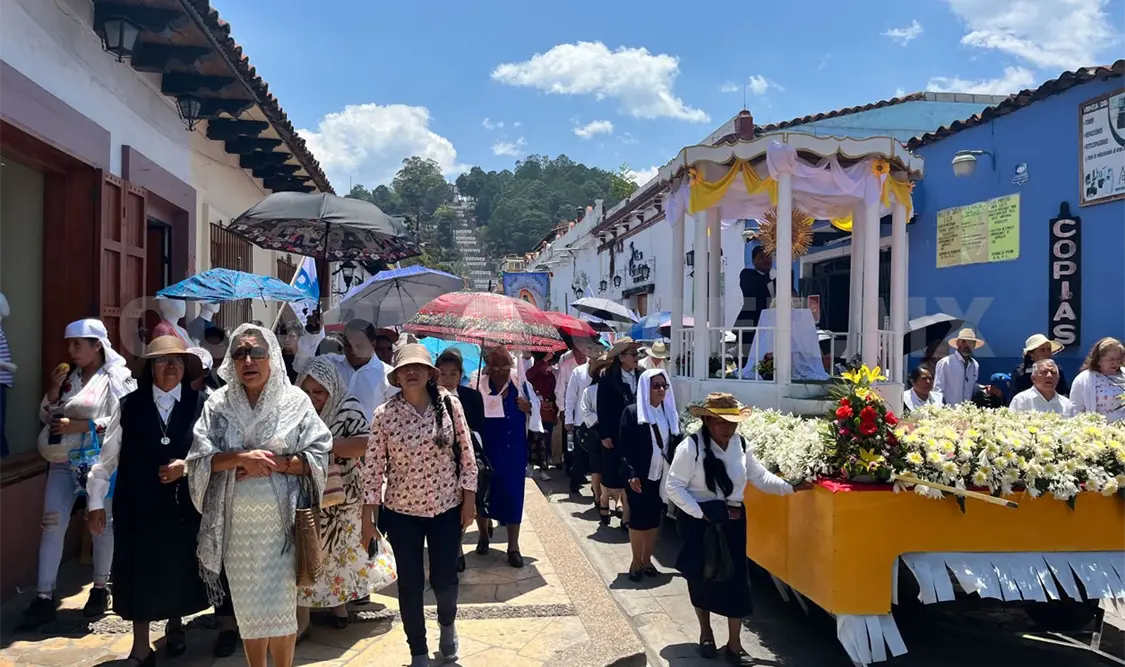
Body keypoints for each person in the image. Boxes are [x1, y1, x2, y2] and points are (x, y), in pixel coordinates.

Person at [187, 324, 333, 667]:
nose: (248, 360)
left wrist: (278, 464)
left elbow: (320, 451)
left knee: (282, 609)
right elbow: (198, 459)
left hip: (281, 528)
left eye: (256, 352)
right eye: (239, 353)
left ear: (272, 358)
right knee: (249, 609)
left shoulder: (295, 402)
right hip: (237, 528)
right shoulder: (217, 405)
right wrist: (240, 458)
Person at [666, 393, 810, 664]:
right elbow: (674, 487)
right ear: (707, 420)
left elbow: (759, 477)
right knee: (701, 578)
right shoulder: (690, 447)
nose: (727, 428)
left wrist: (791, 487)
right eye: (720, 422)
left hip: (732, 519)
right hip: (700, 522)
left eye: (731, 422)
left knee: (736, 581)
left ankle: (734, 643)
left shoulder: (741, 445)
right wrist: (702, 514)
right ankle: (706, 633)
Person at [362, 343, 478, 667]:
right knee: (410, 585)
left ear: (429, 373)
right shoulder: (384, 415)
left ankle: (447, 624)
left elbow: (467, 457)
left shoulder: (450, 404)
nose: (411, 372)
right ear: (397, 376)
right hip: (401, 514)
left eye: (418, 367)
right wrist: (367, 518)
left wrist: (468, 500)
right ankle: (417, 652)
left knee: (444, 580)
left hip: (445, 508)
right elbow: (372, 470)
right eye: (404, 368)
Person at [20, 319, 137, 630]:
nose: (71, 351)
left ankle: (101, 587)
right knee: (52, 522)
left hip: (100, 462)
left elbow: (123, 416)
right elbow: (48, 415)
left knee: (101, 523)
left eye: (77, 344)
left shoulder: (116, 377)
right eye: (69, 344)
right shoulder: (69, 378)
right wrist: (53, 393)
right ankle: (44, 595)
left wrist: (84, 426)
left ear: (97, 345)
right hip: (62, 461)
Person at [109, 337, 209, 665]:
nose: (171, 367)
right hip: (138, 502)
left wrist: (187, 467)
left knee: (178, 566)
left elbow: (212, 452)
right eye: (163, 361)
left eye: (177, 361)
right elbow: (108, 455)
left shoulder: (201, 403)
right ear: (150, 367)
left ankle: (176, 627)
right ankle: (140, 647)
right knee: (140, 570)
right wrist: (97, 501)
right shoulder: (128, 404)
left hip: (182, 504)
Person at [295, 357, 377, 634]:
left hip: (343, 496)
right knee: (307, 550)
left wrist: (325, 448)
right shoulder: (293, 410)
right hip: (305, 493)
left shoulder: (348, 407)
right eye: (307, 391)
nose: (313, 398)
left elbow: (365, 442)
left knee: (338, 553)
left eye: (319, 392)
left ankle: (337, 605)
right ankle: (303, 612)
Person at [475, 347, 533, 567]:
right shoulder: (478, 384)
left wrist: (528, 407)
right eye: (495, 365)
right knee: (483, 493)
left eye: (505, 365)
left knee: (513, 495)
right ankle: (482, 534)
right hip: (487, 449)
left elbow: (536, 410)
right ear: (488, 366)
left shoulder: (520, 383)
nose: (500, 370)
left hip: (514, 450)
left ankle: (513, 546)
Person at [619, 369, 678, 581]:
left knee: (654, 519)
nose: (661, 390)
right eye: (656, 386)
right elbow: (625, 448)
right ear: (646, 388)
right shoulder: (632, 412)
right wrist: (631, 474)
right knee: (637, 520)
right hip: (639, 477)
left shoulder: (669, 412)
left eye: (664, 385)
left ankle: (647, 560)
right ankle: (636, 561)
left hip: (660, 477)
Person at [435, 348, 487, 573]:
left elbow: (480, 425)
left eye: (452, 374)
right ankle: (453, 549)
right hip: (438, 462)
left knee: (465, 503)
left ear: (460, 374)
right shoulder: (429, 398)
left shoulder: (471, 396)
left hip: (466, 457)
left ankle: (459, 546)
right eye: (443, 373)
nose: (447, 378)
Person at [596, 338, 641, 529]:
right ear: (621, 357)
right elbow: (602, 407)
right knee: (611, 473)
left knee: (630, 473)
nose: (637, 358)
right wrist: (605, 433)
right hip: (613, 431)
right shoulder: (607, 376)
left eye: (638, 354)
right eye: (633, 354)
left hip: (634, 432)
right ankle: (604, 499)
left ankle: (626, 518)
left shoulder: (642, 375)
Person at [1070, 337, 1125, 421]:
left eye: (1118, 359)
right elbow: (1075, 409)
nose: (1115, 363)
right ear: (1099, 360)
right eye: (1111, 359)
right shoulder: (1082, 379)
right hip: (1098, 430)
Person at [734, 246, 774, 351]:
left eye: (769, 256)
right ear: (753, 261)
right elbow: (751, 288)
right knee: (747, 360)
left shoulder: (777, 279)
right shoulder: (747, 274)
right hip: (750, 325)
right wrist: (771, 277)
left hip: (771, 327)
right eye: (762, 257)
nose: (766, 260)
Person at [526, 351, 558, 480]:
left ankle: (543, 469)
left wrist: (552, 406)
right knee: (532, 440)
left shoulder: (552, 376)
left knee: (546, 441)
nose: (548, 367)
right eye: (546, 364)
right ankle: (530, 466)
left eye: (550, 363)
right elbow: (528, 376)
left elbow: (556, 394)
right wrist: (543, 361)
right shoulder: (534, 374)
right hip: (534, 413)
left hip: (548, 413)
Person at [933, 328, 984, 405]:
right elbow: (937, 390)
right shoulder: (945, 363)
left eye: (970, 342)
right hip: (948, 413)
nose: (966, 345)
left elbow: (973, 389)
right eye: (963, 341)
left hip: (967, 412)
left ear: (974, 345)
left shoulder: (975, 365)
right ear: (957, 343)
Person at [1010, 359, 1074, 415]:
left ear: (1058, 378)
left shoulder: (1067, 404)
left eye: (1053, 372)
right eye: (1044, 372)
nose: (1049, 376)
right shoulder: (1021, 400)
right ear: (1033, 378)